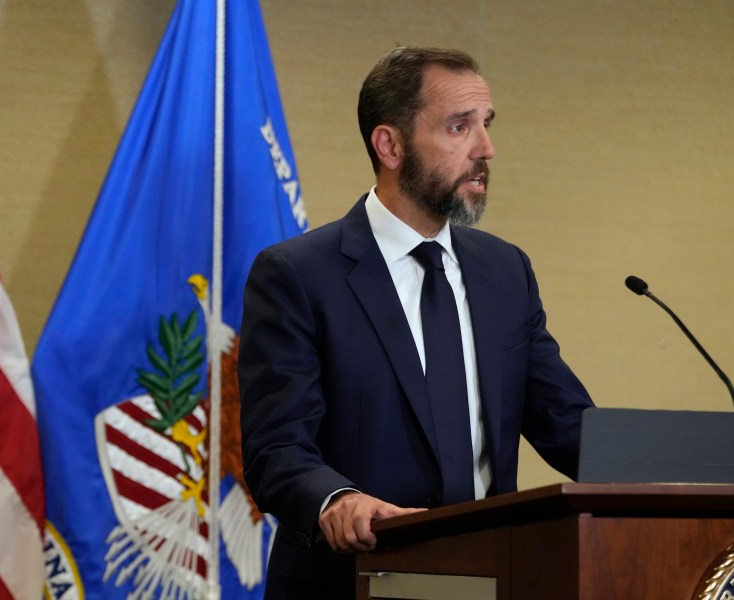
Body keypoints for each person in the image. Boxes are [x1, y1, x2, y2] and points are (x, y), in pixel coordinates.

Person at [238, 46, 594, 599]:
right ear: (391, 145)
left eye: (486, 125)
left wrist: (697, 474)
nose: (487, 149)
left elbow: (568, 424)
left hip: (489, 578)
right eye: (460, 127)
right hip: (352, 581)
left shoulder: (506, 272)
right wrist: (338, 500)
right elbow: (276, 448)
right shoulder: (298, 274)